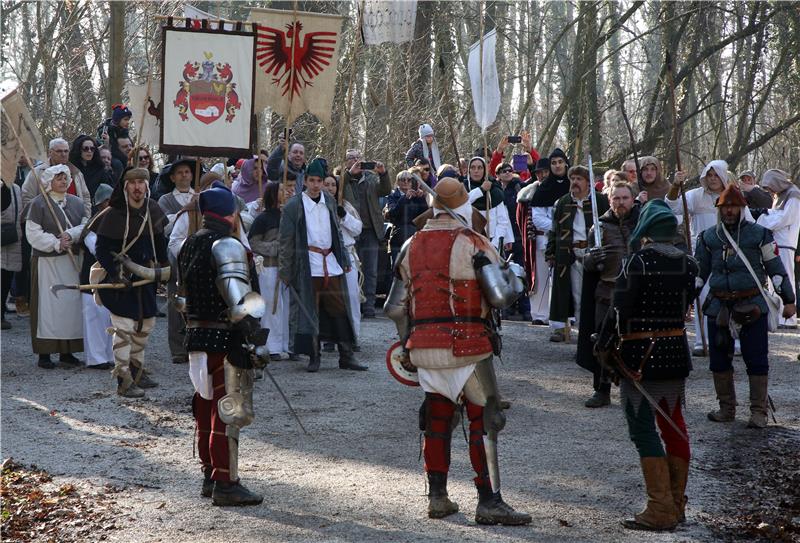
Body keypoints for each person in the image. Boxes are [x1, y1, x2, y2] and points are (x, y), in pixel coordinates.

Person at [384, 176, 531, 525]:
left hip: (424, 347)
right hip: (468, 345)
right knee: (486, 420)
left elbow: (394, 307)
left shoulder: (411, 244)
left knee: (437, 419)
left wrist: (408, 343)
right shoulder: (474, 242)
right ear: (463, 206)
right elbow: (500, 297)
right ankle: (489, 501)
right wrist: (517, 277)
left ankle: (438, 497)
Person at [595, 199, 698, 531]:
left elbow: (619, 308)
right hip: (675, 351)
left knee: (642, 427)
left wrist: (602, 342)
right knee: (674, 424)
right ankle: (676, 504)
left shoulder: (636, 262)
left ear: (648, 230)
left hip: (640, 354)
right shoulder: (690, 265)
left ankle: (660, 508)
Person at [178, 180, 268, 506]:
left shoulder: (189, 244)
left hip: (196, 337)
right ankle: (226, 483)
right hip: (223, 340)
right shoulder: (226, 245)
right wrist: (255, 339)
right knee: (226, 410)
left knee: (204, 407)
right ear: (229, 215)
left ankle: (208, 473)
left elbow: (182, 297)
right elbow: (239, 302)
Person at [696, 185, 795, 428]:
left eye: (734, 206)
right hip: (718, 306)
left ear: (742, 208)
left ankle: (758, 412)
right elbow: (699, 273)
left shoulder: (760, 234)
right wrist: (686, 300)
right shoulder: (708, 237)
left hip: (752, 305)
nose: (729, 211)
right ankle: (726, 408)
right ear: (719, 209)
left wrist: (789, 300)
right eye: (725, 207)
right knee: (719, 361)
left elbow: (776, 270)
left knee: (756, 359)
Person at [279, 158, 366, 372]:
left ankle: (346, 355)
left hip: (331, 264)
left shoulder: (329, 201)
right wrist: (286, 270)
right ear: (305, 181)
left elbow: (336, 233)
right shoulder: (294, 206)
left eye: (319, 180)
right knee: (310, 311)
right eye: (312, 180)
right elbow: (286, 242)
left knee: (338, 309)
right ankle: (314, 355)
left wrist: (343, 259)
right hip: (308, 264)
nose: (316, 184)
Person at [90, 167, 169, 398]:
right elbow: (101, 249)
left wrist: (165, 268)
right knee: (124, 329)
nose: (137, 187)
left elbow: (161, 243)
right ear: (125, 186)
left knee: (144, 327)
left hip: (146, 280)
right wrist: (116, 273)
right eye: (132, 182)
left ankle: (137, 371)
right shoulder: (114, 214)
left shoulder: (153, 209)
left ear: (146, 185)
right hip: (120, 281)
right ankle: (123, 379)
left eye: (141, 182)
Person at [666, 160, 749, 356]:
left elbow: (748, 223)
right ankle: (703, 340)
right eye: (709, 175)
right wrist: (676, 185)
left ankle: (735, 340)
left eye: (715, 175)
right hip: (703, 253)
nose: (712, 179)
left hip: (731, 252)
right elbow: (672, 207)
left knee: (732, 295)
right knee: (702, 295)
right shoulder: (695, 196)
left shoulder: (734, 196)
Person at [578, 182, 640, 407]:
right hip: (607, 291)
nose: (621, 202)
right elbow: (587, 262)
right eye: (616, 198)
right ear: (610, 200)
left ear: (632, 199)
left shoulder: (642, 224)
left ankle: (634, 390)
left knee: (635, 342)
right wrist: (591, 260)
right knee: (602, 342)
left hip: (635, 293)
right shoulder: (599, 227)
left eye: (625, 198)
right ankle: (601, 390)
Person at [25, 165, 87, 368]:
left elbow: (87, 224)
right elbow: (32, 233)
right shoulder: (38, 204)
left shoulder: (77, 203)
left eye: (65, 177)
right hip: (47, 263)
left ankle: (67, 351)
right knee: (48, 308)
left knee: (69, 307)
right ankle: (45, 353)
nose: (62, 181)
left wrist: (72, 235)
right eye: (58, 178)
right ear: (48, 181)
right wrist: (55, 243)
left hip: (72, 262)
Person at [546, 165, 609, 342]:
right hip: (570, 254)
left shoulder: (600, 201)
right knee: (576, 296)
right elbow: (554, 230)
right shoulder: (563, 202)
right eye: (572, 178)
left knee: (594, 295)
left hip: (594, 255)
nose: (574, 182)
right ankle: (582, 337)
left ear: (588, 182)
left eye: (579, 179)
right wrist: (551, 253)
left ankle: (594, 332)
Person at [341, 155, 391, 318]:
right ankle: (354, 304)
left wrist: (383, 174)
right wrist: (350, 173)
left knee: (370, 270)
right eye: (351, 158)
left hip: (370, 231)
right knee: (352, 270)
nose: (355, 160)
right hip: (350, 231)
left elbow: (385, 190)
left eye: (357, 157)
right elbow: (337, 189)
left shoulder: (370, 179)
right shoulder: (342, 178)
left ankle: (368, 306)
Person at [158, 164, 198, 365]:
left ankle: (196, 344)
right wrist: (186, 211)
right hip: (176, 256)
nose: (184, 175)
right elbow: (164, 225)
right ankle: (177, 348)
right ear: (173, 178)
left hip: (199, 257)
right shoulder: (165, 199)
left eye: (187, 172)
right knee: (176, 301)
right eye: (180, 172)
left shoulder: (200, 196)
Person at [322, 174, 364, 352]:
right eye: (327, 184)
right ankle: (330, 337)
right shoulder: (317, 206)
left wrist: (344, 216)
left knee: (351, 297)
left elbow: (357, 229)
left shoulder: (345, 206)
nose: (330, 188)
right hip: (326, 256)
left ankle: (353, 336)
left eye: (333, 185)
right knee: (329, 298)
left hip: (346, 254)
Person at [528, 150, 570, 325]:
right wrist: (557, 228)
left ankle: (567, 316)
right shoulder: (543, 189)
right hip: (545, 238)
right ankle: (540, 314)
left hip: (569, 241)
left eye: (560, 162)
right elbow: (537, 218)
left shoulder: (573, 185)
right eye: (554, 163)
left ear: (566, 163)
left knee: (565, 280)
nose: (557, 165)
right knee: (542, 277)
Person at [249, 182, 290, 360]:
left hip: (286, 268)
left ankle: (285, 345)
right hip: (268, 268)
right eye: (281, 190)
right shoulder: (262, 219)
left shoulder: (287, 216)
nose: (285, 192)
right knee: (271, 308)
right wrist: (276, 247)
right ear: (273, 194)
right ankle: (271, 347)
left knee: (284, 308)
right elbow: (253, 244)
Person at [756, 169, 799, 328]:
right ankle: (777, 316)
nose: (770, 191)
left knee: (785, 279)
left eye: (770, 186)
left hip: (785, 242)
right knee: (775, 279)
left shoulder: (793, 195)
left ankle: (788, 318)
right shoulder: (781, 195)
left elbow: (785, 218)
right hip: (776, 242)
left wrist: (762, 219)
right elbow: (775, 215)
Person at [78, 184, 115, 369]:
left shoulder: (119, 222)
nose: (109, 205)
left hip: (112, 279)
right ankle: (96, 358)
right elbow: (99, 251)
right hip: (92, 280)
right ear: (99, 205)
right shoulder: (91, 228)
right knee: (94, 319)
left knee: (111, 319)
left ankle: (111, 356)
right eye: (105, 202)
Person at [22, 138, 92, 218]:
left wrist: (85, 218)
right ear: (50, 152)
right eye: (59, 151)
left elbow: (85, 197)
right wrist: (38, 219)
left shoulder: (76, 173)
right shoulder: (37, 172)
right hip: (48, 223)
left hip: (74, 223)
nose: (63, 154)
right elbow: (27, 197)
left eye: (66, 151)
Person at [465, 157, 514, 251]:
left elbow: (503, 221)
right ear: (469, 170)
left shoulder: (494, 190)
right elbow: (463, 202)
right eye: (473, 167)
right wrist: (481, 190)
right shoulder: (463, 187)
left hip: (492, 241)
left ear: (484, 170)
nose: (476, 171)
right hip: (469, 243)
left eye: (480, 168)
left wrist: (494, 244)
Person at [384, 170, 428, 268]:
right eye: (402, 179)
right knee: (398, 270)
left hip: (415, 238)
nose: (406, 182)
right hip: (398, 238)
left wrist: (421, 198)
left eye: (409, 180)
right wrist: (404, 198)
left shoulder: (417, 196)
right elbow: (392, 214)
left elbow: (425, 216)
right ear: (397, 182)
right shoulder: (393, 196)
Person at [1, 177, 23, 330]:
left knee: (8, 276)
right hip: (2, 234)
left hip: (13, 236)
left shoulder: (16, 187)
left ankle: (2, 308)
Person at [68, 135, 114, 199]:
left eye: (92, 149)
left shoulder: (101, 170)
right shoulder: (70, 169)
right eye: (85, 148)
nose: (89, 151)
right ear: (79, 149)